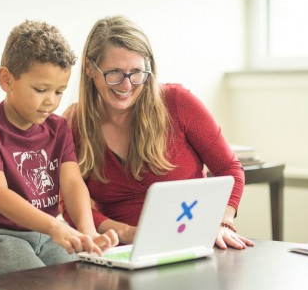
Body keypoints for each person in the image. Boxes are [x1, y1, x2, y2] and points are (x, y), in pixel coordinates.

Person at [61, 15, 254, 250]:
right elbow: (68, 202)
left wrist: (223, 222)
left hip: (193, 244)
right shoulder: (73, 124)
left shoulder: (177, 103)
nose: (127, 85)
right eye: (114, 73)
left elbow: (229, 169)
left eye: (136, 73)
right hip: (122, 253)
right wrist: (123, 231)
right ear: (90, 68)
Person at [0, 20, 118, 276]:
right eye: (41, 89)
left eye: (59, 92)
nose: (51, 101)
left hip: (46, 233)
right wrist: (56, 227)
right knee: (37, 280)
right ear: (6, 80)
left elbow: (72, 183)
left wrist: (87, 232)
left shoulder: (58, 128)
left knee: (82, 274)